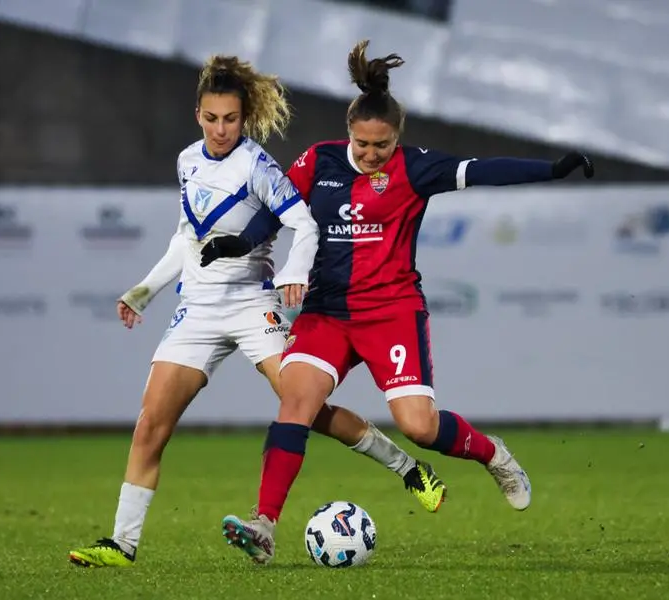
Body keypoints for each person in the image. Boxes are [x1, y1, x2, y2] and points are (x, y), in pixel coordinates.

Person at [216, 39, 595, 565]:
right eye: (363, 143)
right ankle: (264, 524)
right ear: (349, 132)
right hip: (327, 311)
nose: (371, 154)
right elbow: (278, 209)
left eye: (382, 145)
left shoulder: (416, 169)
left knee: (418, 426)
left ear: (397, 138)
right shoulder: (319, 160)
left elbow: (485, 170)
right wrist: (241, 242)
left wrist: (552, 170)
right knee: (296, 404)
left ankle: (494, 454)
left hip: (391, 312)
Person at [67, 54, 447, 569]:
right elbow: (188, 236)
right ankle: (122, 543)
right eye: (211, 117)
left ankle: (406, 467)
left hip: (251, 304)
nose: (220, 129)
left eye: (230, 118)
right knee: (151, 423)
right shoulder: (187, 162)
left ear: (243, 118)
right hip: (197, 310)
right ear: (197, 115)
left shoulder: (259, 166)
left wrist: (293, 272)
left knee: (304, 407)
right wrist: (146, 289)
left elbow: (304, 224)